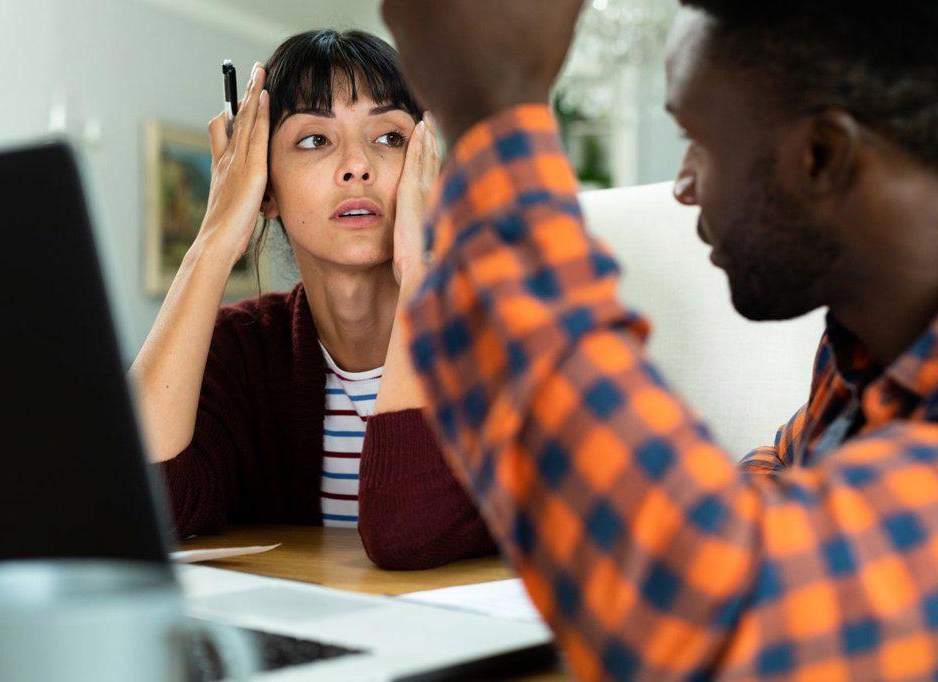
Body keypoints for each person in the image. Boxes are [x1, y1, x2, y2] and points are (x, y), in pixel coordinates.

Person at [381, 0, 938, 677]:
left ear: (821, 157)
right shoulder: (867, 358)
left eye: (697, 139)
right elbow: (775, 482)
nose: (682, 185)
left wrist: (491, 112)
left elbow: (713, 623)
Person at [130, 29, 496, 570]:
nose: (357, 165)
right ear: (265, 187)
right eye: (313, 140)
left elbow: (408, 533)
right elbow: (139, 506)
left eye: (390, 138)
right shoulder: (242, 350)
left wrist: (424, 266)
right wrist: (214, 237)